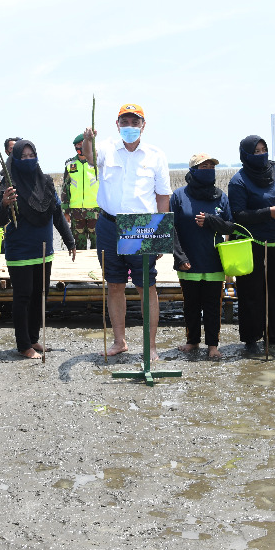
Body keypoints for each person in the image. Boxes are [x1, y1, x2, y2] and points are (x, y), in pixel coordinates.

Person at [82, 103, 172, 360]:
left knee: (147, 286)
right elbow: (89, 158)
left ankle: (151, 346)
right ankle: (119, 341)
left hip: (142, 226)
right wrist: (88, 140)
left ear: (144, 125)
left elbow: (163, 196)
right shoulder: (107, 149)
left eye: (135, 122)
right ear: (117, 125)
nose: (130, 127)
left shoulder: (156, 155)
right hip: (109, 224)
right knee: (114, 284)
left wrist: (161, 234)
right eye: (125, 122)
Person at [0, 139, 76, 358]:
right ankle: (23, 345)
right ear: (15, 159)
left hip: (44, 251)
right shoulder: (8, 185)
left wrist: (70, 241)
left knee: (41, 295)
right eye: (23, 156)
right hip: (20, 251)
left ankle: (34, 338)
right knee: (23, 296)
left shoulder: (46, 182)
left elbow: (57, 213)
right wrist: (4, 204)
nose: (28, 160)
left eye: (32, 156)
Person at [229, 135, 275, 354]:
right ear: (245, 155)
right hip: (251, 243)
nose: (261, 154)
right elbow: (238, 215)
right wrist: (269, 213)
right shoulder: (238, 181)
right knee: (251, 292)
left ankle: (271, 334)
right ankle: (250, 338)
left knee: (274, 290)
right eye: (255, 151)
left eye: (263, 150)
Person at [170, 153, 233, 359]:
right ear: (192, 172)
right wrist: (179, 256)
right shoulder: (179, 196)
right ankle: (192, 341)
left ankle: (213, 346)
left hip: (214, 261)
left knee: (214, 306)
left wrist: (212, 221)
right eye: (203, 167)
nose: (208, 170)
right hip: (188, 261)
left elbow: (231, 226)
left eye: (211, 166)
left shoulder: (221, 197)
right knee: (191, 305)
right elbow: (171, 229)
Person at [60, 134, 100, 250]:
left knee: (97, 246)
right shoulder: (70, 164)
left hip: (95, 211)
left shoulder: (97, 163)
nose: (81, 147)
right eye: (78, 145)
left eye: (83, 144)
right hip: (76, 212)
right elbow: (65, 189)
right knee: (78, 247)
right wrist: (65, 210)